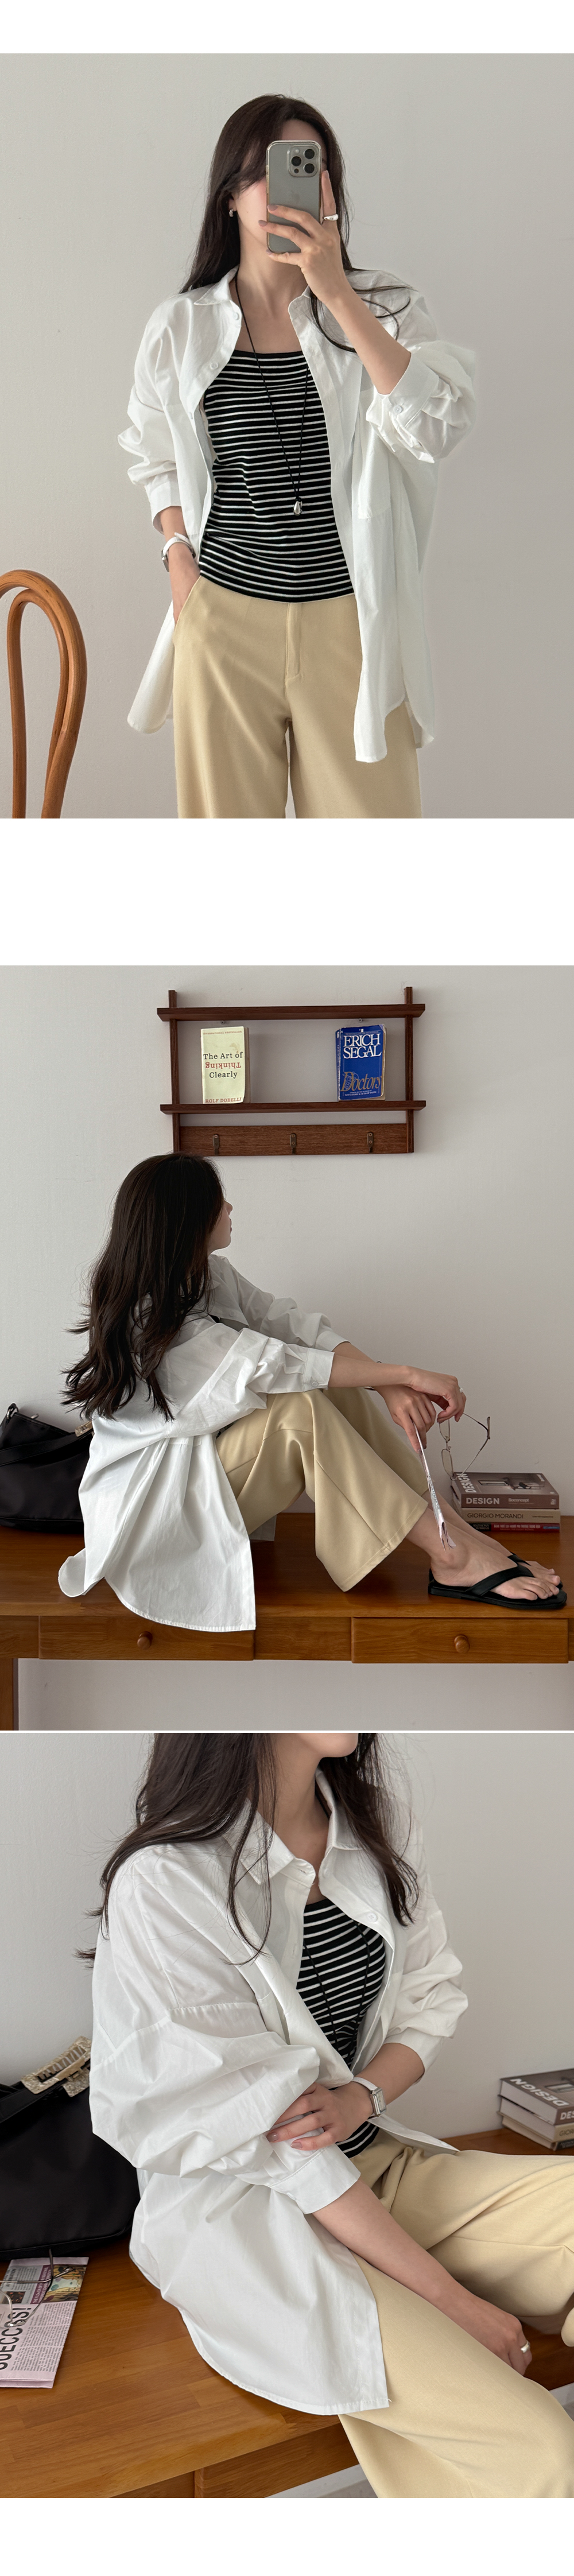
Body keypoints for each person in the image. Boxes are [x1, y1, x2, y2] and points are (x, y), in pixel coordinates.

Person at [88, 1730, 574, 2499]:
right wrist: (454, 2303)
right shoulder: (166, 1881)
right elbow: (273, 2134)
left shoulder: (373, 1823)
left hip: (377, 2170)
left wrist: (362, 2097)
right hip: (250, 2216)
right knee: (543, 2452)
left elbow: (431, 1997)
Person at [120, 91, 476, 819]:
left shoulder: (386, 308)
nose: (278, 189)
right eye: (260, 171)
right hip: (223, 621)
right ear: (229, 197)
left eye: (301, 167)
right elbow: (154, 456)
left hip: (351, 624)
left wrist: (337, 293)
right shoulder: (180, 328)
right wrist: (179, 562)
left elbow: (438, 426)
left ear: (329, 189)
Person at [59, 1154, 564, 1632]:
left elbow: (291, 1326)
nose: (230, 1208)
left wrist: (385, 1383)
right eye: (218, 1201)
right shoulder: (146, 1316)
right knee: (298, 1407)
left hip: (201, 1472)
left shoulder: (207, 1275)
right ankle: (450, 1556)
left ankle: (455, 1531)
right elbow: (273, 1363)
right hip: (160, 1511)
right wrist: (407, 1376)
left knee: (337, 1389)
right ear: (188, 1220)